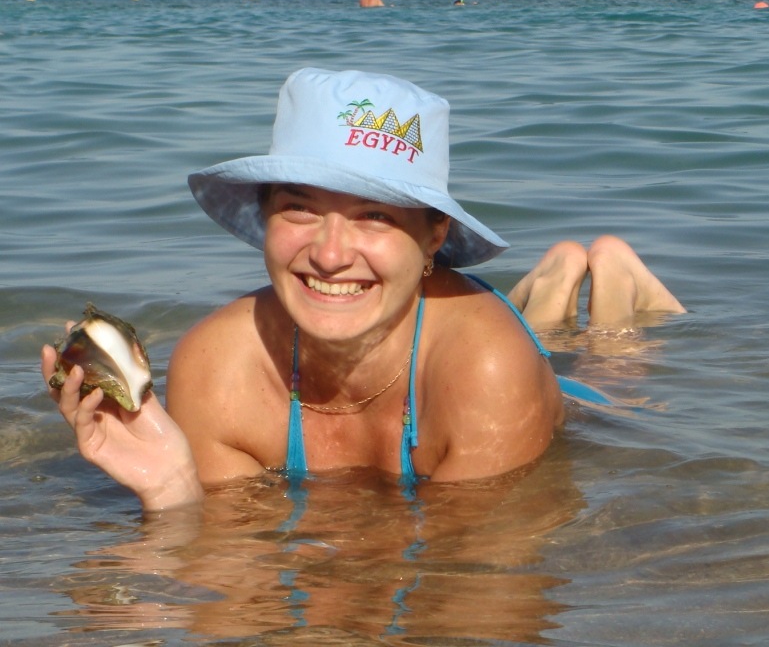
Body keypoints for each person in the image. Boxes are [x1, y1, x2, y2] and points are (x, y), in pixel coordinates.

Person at [42, 68, 685, 513]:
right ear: (264, 218)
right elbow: (231, 587)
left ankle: (613, 270)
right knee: (553, 328)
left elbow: (475, 589)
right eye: (299, 208)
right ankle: (559, 275)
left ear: (434, 237)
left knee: (612, 361)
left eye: (375, 215)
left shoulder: (487, 368)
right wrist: (171, 489)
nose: (329, 253)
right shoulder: (218, 364)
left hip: (549, 390)